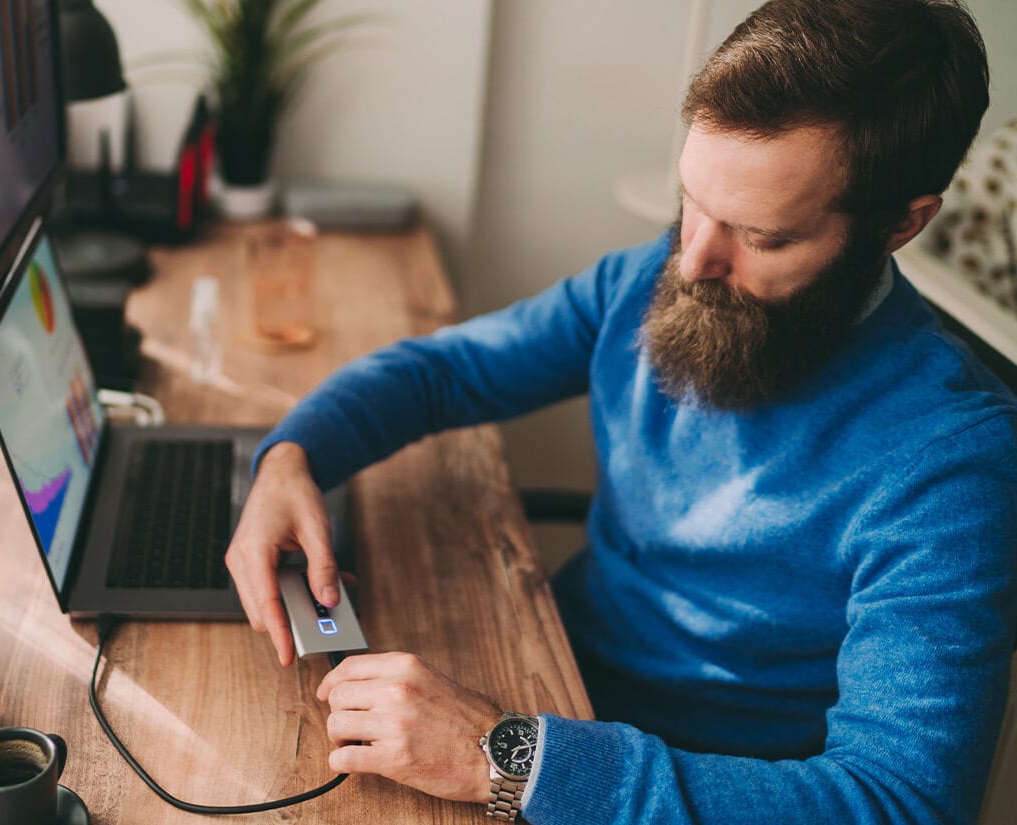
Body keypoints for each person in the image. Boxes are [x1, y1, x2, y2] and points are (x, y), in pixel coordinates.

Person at [222, 0, 1016, 822]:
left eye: (763, 237)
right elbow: (449, 368)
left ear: (900, 223)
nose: (695, 259)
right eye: (692, 199)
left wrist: (507, 756)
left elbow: (901, 803)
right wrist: (293, 455)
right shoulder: (655, 273)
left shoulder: (953, 462)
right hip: (546, 675)